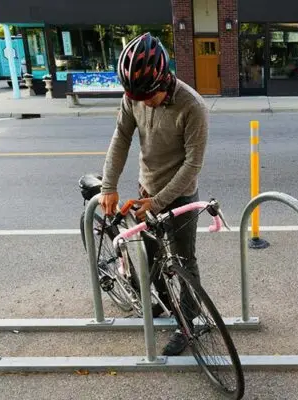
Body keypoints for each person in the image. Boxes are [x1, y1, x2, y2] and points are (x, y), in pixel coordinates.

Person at [99, 33, 209, 356]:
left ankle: (189, 323)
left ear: (164, 77)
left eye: (149, 96)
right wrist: (109, 185)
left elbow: (192, 165)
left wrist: (158, 202)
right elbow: (121, 137)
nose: (144, 103)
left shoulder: (193, 107)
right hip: (146, 190)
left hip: (180, 196)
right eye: (137, 97)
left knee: (184, 262)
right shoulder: (134, 97)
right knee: (151, 256)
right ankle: (164, 302)